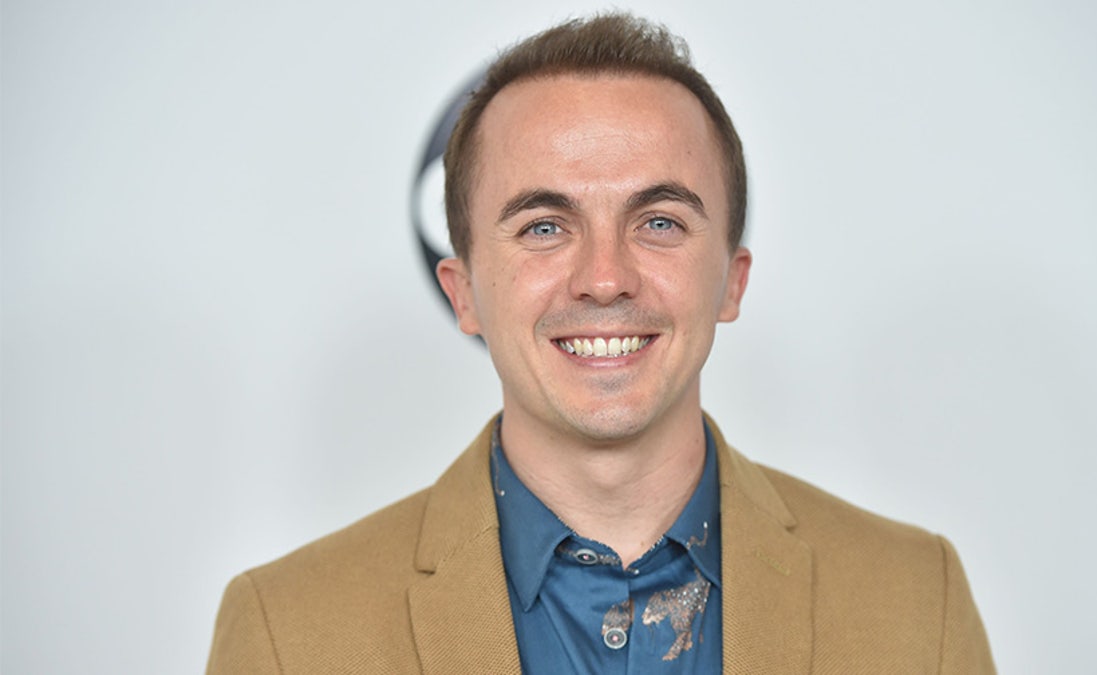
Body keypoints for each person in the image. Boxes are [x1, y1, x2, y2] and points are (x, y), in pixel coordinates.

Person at [207, 13, 995, 674]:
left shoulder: (919, 602)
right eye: (545, 227)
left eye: (658, 222)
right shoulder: (287, 632)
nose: (606, 278)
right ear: (462, 292)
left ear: (731, 280)